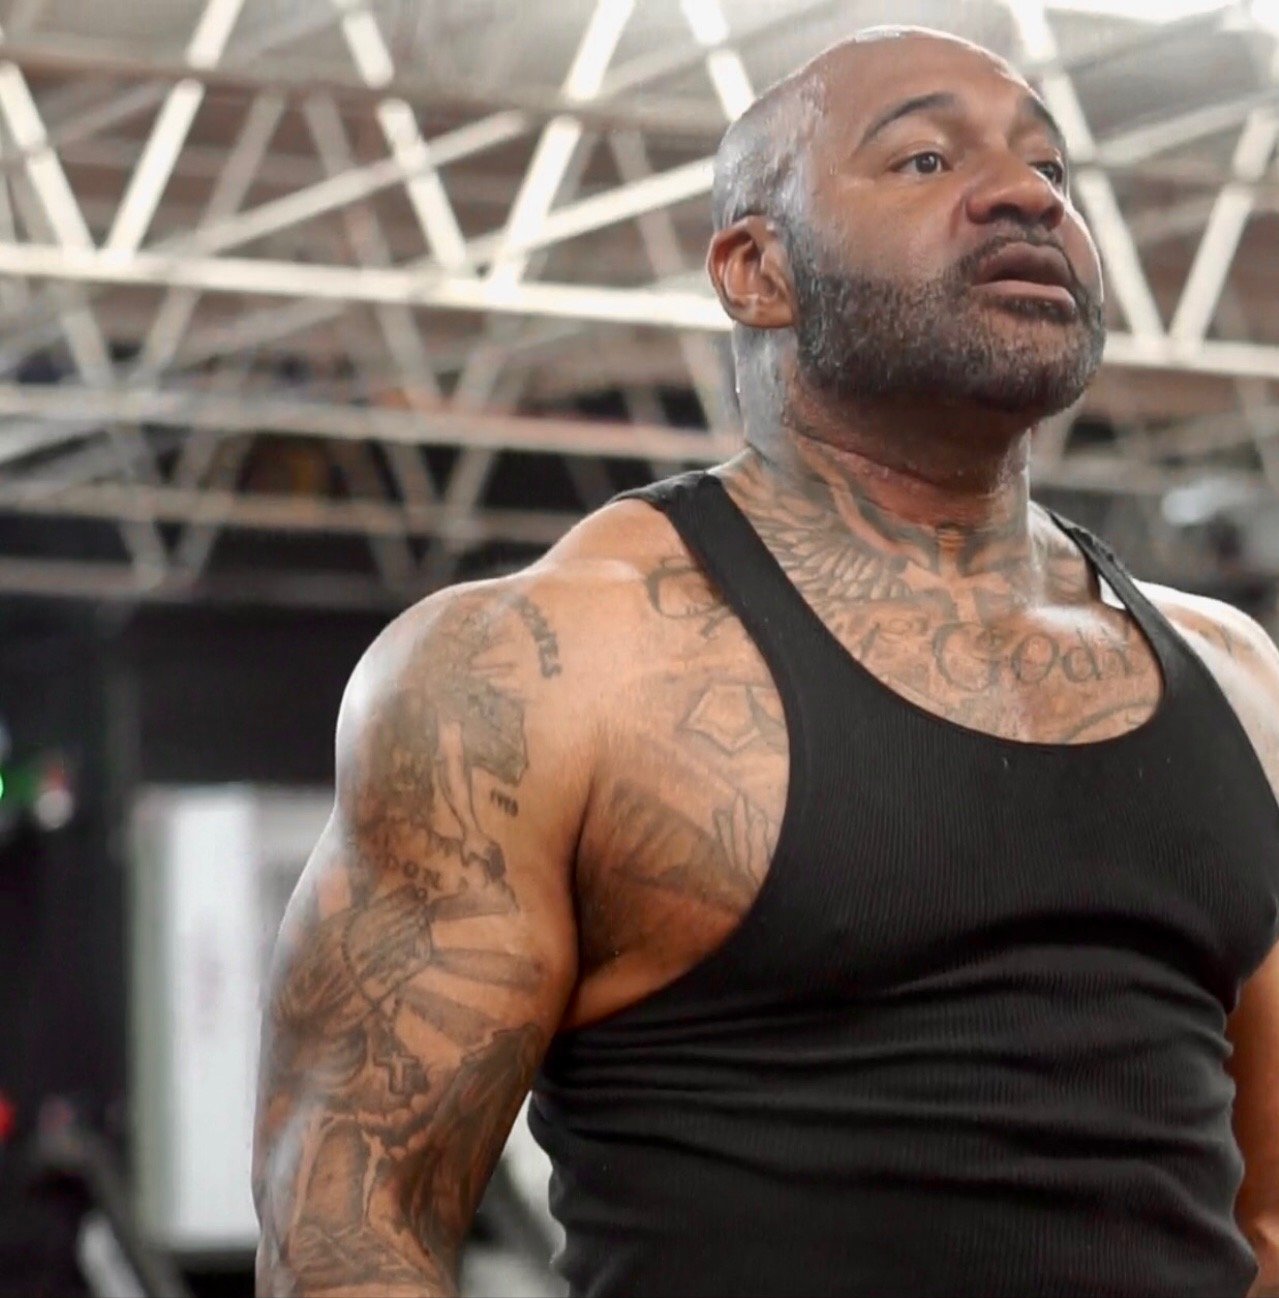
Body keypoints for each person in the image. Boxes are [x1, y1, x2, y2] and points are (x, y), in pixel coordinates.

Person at [252, 26, 1279, 1298]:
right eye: (922, 158)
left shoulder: (1238, 681)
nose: (1025, 193)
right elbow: (352, 1230)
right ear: (756, 270)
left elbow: (1268, 1209)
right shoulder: (539, 669)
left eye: (1050, 167)